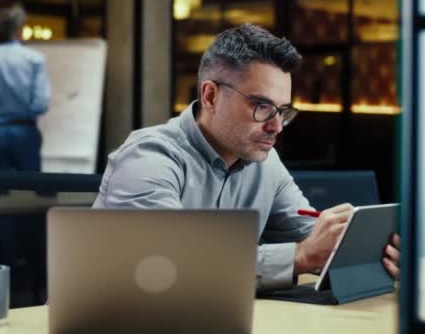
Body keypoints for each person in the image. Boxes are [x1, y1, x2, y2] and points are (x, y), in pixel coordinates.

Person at [93, 24, 400, 290]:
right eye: (262, 106)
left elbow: (314, 239)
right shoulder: (148, 158)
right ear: (211, 95)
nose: (276, 126)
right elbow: (171, 265)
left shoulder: (266, 164)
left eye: (282, 111)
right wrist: (300, 256)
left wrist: (368, 251)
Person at [0, 4, 50, 171]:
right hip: (26, 132)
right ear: (20, 30)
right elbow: (41, 103)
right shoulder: (34, 59)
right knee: (30, 190)